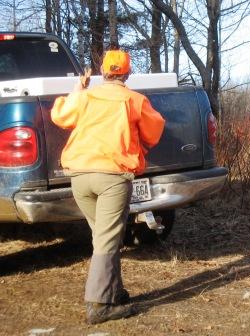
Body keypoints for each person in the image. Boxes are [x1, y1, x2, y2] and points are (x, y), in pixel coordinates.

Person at [51, 50, 165, 324]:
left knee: (104, 238)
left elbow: (61, 116)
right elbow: (155, 131)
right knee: (107, 240)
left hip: (80, 177)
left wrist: (79, 87)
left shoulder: (86, 96)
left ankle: (114, 292)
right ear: (127, 74)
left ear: (103, 72)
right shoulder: (134, 100)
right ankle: (99, 306)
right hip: (112, 177)